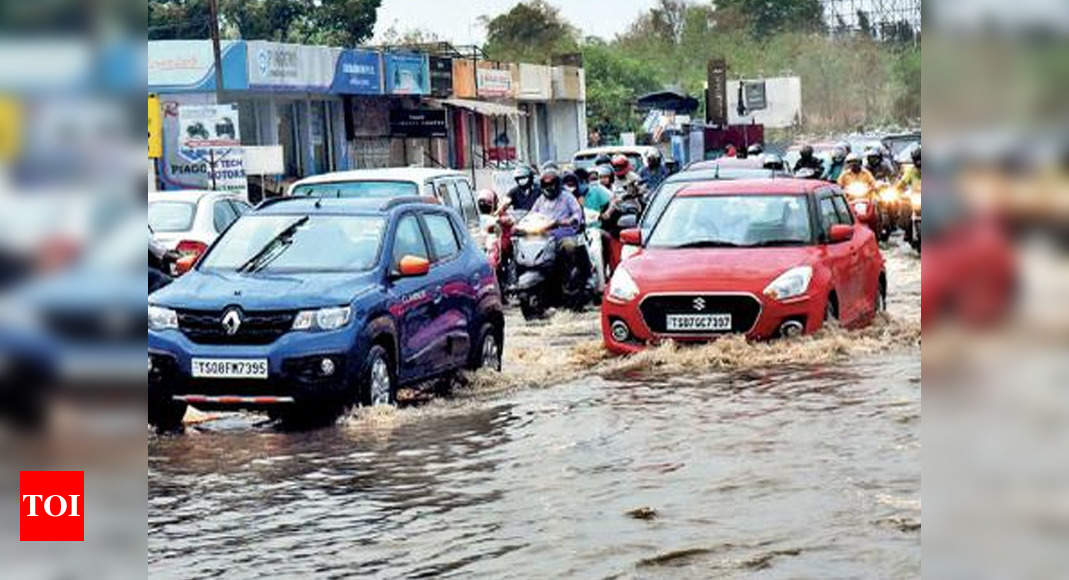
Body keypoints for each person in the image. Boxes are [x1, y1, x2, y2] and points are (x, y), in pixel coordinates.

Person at [530, 168, 588, 293]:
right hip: (544, 238)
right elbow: (531, 215)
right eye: (546, 185)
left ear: (557, 184)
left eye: (551, 184)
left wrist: (571, 220)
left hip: (563, 235)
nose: (549, 187)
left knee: (569, 247)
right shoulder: (541, 200)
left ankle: (571, 280)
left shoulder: (567, 197)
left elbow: (577, 213)